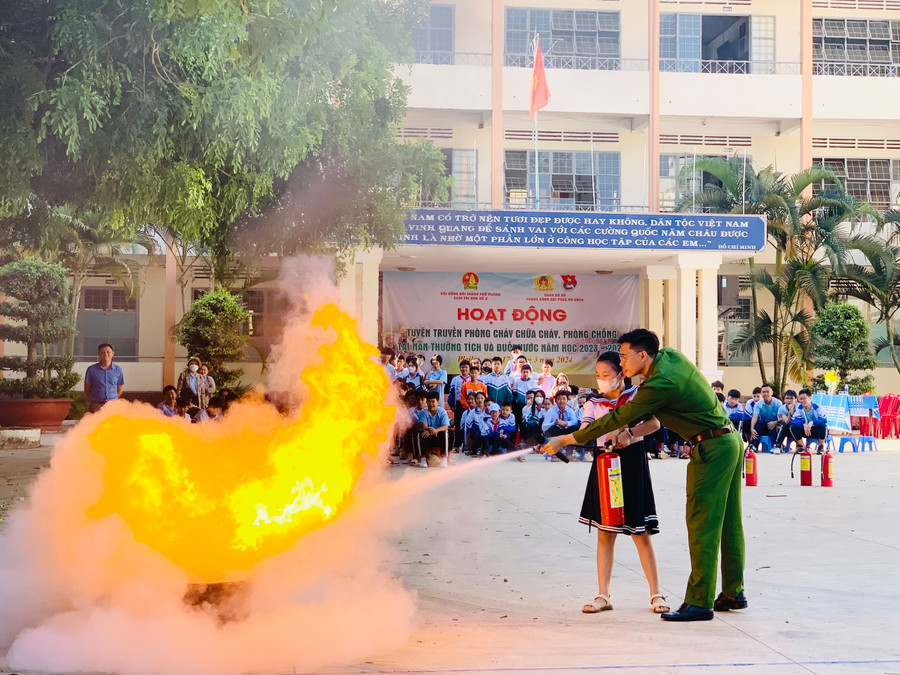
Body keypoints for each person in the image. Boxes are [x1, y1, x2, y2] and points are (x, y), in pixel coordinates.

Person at [543, 328, 745, 622]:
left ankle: (699, 602)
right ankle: (734, 592)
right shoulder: (670, 358)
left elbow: (618, 417)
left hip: (712, 448)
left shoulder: (658, 385)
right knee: (729, 522)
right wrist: (627, 432)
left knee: (703, 525)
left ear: (642, 355)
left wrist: (567, 439)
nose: (622, 362)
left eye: (625, 357)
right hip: (729, 442)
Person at [577, 351, 667, 615]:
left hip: (631, 463)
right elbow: (585, 430)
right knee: (605, 531)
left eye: (606, 375)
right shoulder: (593, 403)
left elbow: (654, 423)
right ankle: (603, 595)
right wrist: (574, 437)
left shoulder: (636, 397)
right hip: (604, 464)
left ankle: (656, 593)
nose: (601, 380)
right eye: (597, 375)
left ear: (621, 374)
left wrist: (628, 432)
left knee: (641, 532)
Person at [413, 391, 450, 468]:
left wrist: (436, 430)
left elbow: (445, 426)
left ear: (438, 402)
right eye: (429, 402)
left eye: (433, 402)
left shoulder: (442, 412)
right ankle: (423, 458)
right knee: (420, 433)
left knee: (446, 433)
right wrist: (430, 429)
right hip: (427, 436)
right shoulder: (423, 412)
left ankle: (444, 458)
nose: (431, 404)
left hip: (438, 435)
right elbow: (424, 426)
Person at [83, 343, 124, 413]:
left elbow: (119, 389)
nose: (105, 354)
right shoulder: (91, 369)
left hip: (113, 405)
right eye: (102, 352)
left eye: (108, 352)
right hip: (96, 405)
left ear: (112, 353)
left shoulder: (118, 370)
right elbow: (87, 389)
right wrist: (96, 398)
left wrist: (112, 400)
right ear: (99, 354)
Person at [750, 384, 782, 452]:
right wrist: (752, 428)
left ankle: (775, 446)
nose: (765, 394)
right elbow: (755, 417)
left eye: (767, 392)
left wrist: (775, 422)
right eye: (763, 392)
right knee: (760, 423)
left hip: (775, 425)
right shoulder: (758, 404)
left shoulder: (778, 403)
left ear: (771, 392)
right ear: (761, 393)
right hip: (763, 426)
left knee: (772, 424)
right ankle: (754, 446)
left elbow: (781, 418)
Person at [447, 360, 470, 450]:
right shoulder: (455, 379)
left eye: (466, 367)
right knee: (458, 424)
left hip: (469, 405)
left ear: (469, 368)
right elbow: (452, 393)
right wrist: (452, 404)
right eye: (462, 367)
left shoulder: (471, 378)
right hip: (459, 404)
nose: (464, 369)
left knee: (468, 424)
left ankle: (468, 444)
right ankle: (457, 444)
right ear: (460, 368)